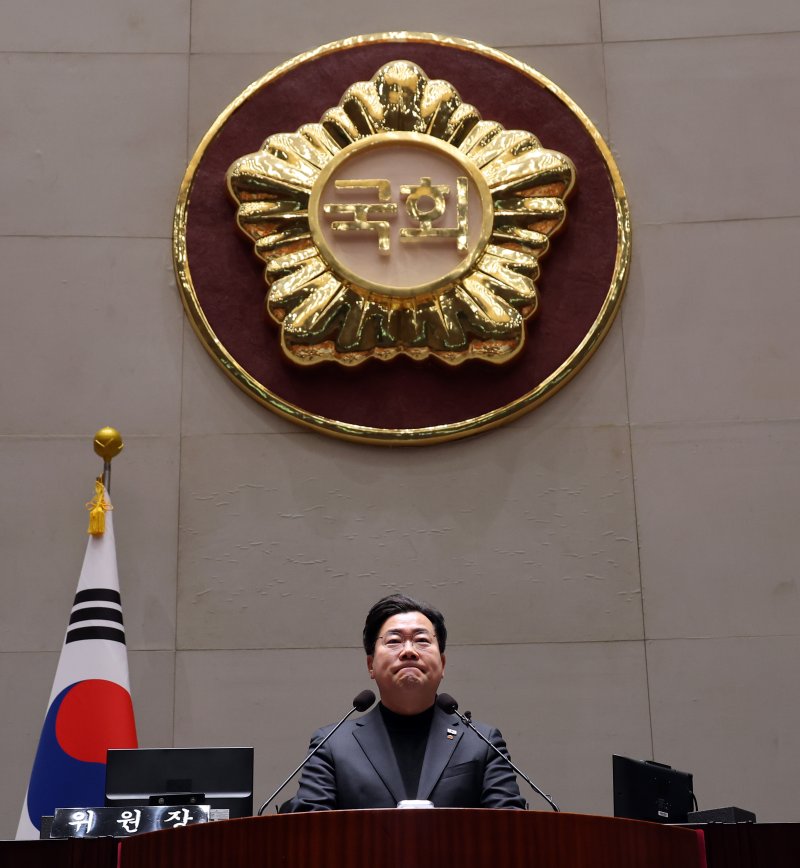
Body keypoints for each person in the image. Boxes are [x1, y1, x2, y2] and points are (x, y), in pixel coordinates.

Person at [288, 593, 526, 810]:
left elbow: (510, 831)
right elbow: (309, 835)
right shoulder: (331, 745)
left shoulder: (482, 743)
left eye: (422, 640)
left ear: (442, 664)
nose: (409, 651)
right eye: (394, 641)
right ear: (371, 665)